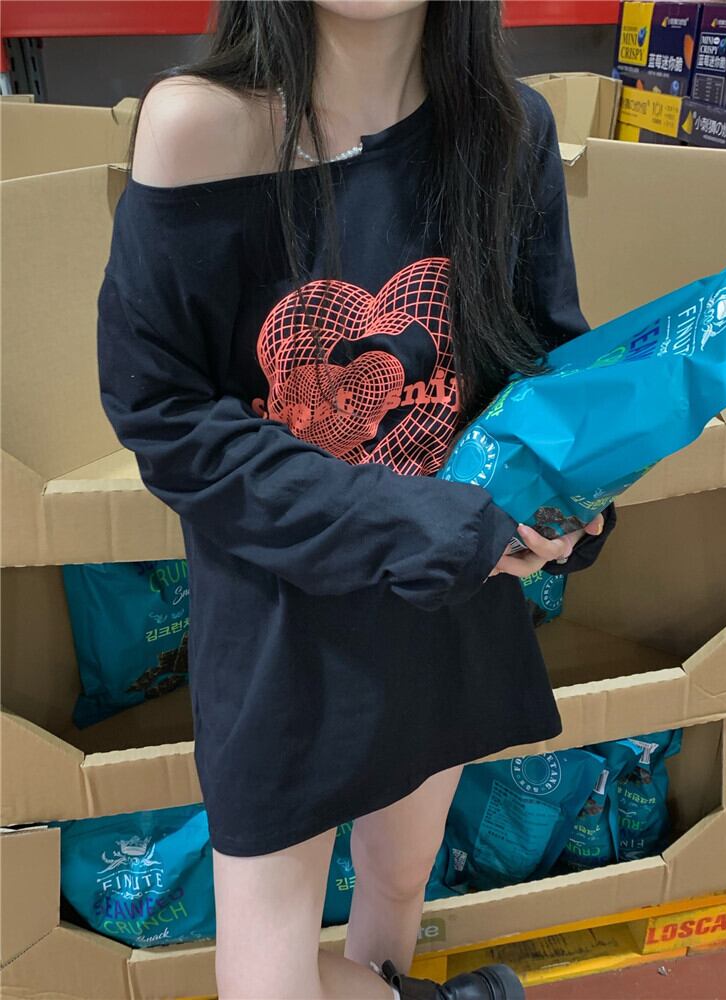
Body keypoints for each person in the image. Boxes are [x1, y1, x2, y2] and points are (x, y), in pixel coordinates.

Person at [96, 2, 617, 997]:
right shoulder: (200, 126)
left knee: (398, 885)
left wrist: (574, 494)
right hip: (279, 629)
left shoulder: (508, 130)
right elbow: (164, 414)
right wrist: (415, 521)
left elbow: (541, 363)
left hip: (446, 609)